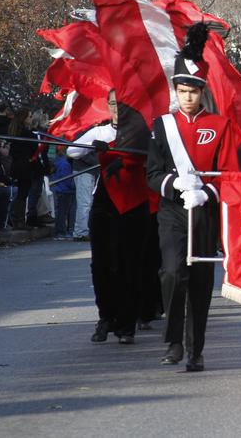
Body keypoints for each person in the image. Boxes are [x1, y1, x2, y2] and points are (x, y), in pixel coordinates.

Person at [146, 24, 241, 372]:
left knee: (200, 281)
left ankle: (196, 349)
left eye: (193, 91)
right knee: (171, 272)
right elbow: (152, 173)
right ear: (175, 91)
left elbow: (228, 174)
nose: (187, 97)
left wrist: (205, 191)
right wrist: (176, 186)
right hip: (173, 211)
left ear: (201, 92)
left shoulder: (220, 125)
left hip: (205, 212)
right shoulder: (162, 126)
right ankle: (175, 341)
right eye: (182, 91)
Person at [69, 90, 152, 345]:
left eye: (122, 105)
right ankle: (106, 316)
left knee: (130, 264)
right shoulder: (101, 132)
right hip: (105, 205)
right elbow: (72, 152)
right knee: (102, 265)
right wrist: (95, 150)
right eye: (114, 105)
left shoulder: (145, 133)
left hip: (134, 205)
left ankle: (126, 324)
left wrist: (128, 156)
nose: (118, 109)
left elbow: (158, 154)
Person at [50, 148, 76, 240]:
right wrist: (76, 186)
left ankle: (61, 232)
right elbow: (69, 180)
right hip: (66, 190)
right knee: (66, 212)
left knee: (61, 212)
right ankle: (62, 232)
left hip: (60, 190)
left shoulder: (58, 162)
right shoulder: (65, 164)